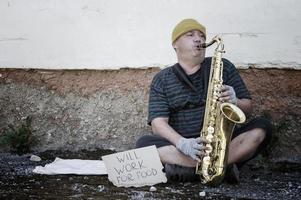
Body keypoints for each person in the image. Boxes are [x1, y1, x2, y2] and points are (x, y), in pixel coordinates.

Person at [136, 19, 272, 183]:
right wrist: (182, 143)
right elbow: (158, 124)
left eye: (201, 35)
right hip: (183, 148)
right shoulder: (162, 79)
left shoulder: (224, 66)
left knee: (262, 128)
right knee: (144, 145)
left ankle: (192, 171)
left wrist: (235, 101)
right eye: (190, 34)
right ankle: (220, 168)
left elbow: (247, 108)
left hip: (222, 144)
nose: (199, 39)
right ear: (175, 44)